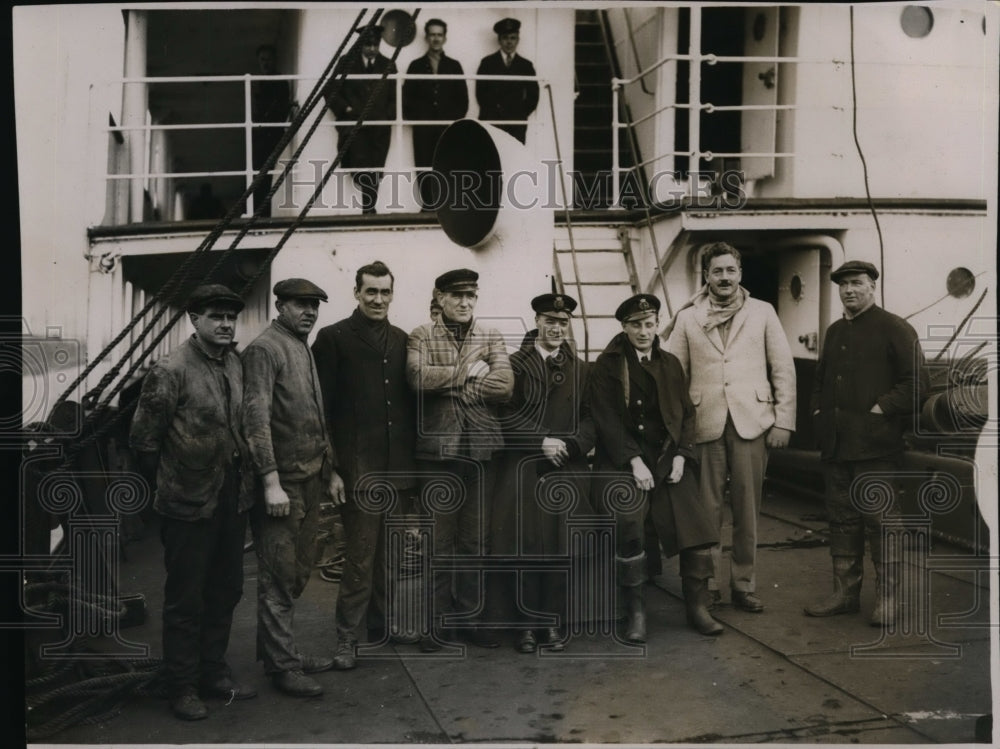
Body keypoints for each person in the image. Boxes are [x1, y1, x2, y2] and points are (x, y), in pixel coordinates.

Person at [129, 284, 255, 720]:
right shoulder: (170, 370)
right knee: (186, 597)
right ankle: (181, 685)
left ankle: (212, 671)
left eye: (230, 317)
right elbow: (144, 441)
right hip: (186, 504)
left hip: (230, 497)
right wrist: (172, 485)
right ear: (194, 320)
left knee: (227, 588)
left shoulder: (235, 364)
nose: (224, 323)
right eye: (215, 316)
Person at [665, 242, 796, 613]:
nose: (725, 278)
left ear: (740, 273)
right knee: (706, 511)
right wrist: (678, 431)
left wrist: (783, 420)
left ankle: (744, 584)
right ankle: (706, 586)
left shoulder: (763, 312)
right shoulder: (688, 317)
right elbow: (675, 375)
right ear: (706, 276)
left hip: (751, 424)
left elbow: (782, 369)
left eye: (731, 270)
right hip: (704, 424)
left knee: (747, 509)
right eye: (717, 271)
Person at [589, 294, 723, 640]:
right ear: (624, 327)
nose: (644, 331)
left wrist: (680, 454)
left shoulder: (670, 364)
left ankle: (697, 607)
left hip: (665, 459)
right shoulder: (607, 365)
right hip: (623, 460)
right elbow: (605, 419)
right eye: (636, 325)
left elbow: (686, 415)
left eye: (650, 324)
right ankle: (635, 611)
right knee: (630, 522)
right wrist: (634, 461)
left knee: (695, 522)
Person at [804, 260, 927, 626]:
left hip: (876, 448)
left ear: (873, 285)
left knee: (882, 522)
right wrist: (817, 413)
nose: (849, 290)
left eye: (857, 283)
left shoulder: (894, 328)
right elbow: (821, 380)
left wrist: (880, 408)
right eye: (843, 285)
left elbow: (918, 384)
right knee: (842, 520)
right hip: (838, 447)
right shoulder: (835, 330)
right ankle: (845, 595)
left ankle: (888, 600)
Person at [311, 261, 417, 670]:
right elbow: (322, 412)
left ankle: (381, 627)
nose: (377, 299)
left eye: (384, 292)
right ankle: (345, 638)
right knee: (359, 557)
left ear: (392, 294)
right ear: (356, 293)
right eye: (370, 291)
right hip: (357, 471)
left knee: (389, 556)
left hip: (396, 471)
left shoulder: (403, 340)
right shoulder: (334, 338)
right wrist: (331, 470)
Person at [242, 278, 342, 697]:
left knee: (300, 570)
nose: (310, 312)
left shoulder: (300, 345)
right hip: (283, 485)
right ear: (279, 305)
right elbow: (255, 420)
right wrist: (269, 482)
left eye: (314, 305)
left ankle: (282, 653)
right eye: (301, 305)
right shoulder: (265, 349)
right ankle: (283, 666)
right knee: (279, 576)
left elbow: (317, 415)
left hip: (312, 478)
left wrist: (332, 471)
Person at [405, 268, 514, 651]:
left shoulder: (491, 336)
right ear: (440, 300)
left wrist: (450, 382)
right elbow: (416, 378)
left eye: (471, 296)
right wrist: (468, 372)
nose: (465, 303)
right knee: (439, 542)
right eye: (457, 297)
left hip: (481, 455)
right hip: (438, 455)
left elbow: (504, 386)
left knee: (475, 542)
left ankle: (469, 619)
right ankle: (437, 624)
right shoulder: (421, 335)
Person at [492, 291, 595, 653]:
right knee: (523, 546)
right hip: (524, 468)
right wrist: (541, 442)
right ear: (536, 321)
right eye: (549, 321)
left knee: (559, 548)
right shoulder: (513, 366)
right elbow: (504, 416)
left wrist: (572, 445)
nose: (555, 327)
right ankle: (523, 626)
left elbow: (591, 418)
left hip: (565, 469)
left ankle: (551, 622)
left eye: (562, 322)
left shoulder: (582, 370)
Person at [324, 25, 397, 214]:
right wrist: (346, 108)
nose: (372, 48)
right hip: (355, 125)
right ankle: (369, 206)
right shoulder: (346, 62)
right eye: (368, 44)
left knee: (376, 166)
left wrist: (388, 115)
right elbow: (330, 89)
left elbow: (395, 95)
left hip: (379, 126)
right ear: (360, 44)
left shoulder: (388, 64)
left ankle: (369, 207)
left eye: (375, 44)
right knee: (360, 165)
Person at [402, 18, 469, 211]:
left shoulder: (454, 66)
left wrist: (453, 122)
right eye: (432, 34)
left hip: (447, 127)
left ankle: (446, 208)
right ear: (426, 37)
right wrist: (420, 118)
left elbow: (462, 99)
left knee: (447, 165)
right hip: (424, 128)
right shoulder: (415, 65)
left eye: (440, 34)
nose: (436, 38)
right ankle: (428, 205)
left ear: (445, 38)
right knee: (423, 165)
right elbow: (407, 98)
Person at [475, 17, 539, 144]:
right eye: (505, 38)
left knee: (515, 158)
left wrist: (520, 114)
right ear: (499, 40)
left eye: (513, 38)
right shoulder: (487, 63)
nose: (509, 42)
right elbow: (480, 93)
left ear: (518, 40)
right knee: (492, 157)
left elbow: (533, 95)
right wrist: (492, 114)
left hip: (516, 123)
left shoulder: (526, 65)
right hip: (492, 121)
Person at [251, 44, 294, 217]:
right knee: (260, 173)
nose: (265, 63)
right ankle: (260, 212)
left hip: (272, 132)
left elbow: (278, 109)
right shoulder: (261, 81)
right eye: (262, 60)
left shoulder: (279, 81)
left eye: (268, 59)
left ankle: (262, 214)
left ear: (274, 60)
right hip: (262, 132)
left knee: (264, 174)